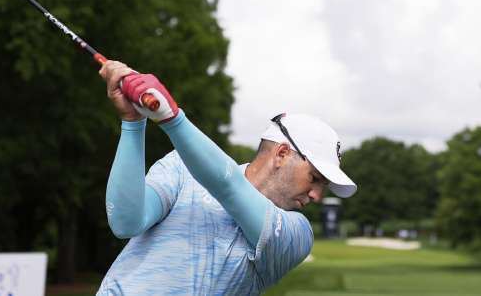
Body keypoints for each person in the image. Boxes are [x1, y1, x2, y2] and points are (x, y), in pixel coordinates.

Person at [95, 61, 357, 295]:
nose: (317, 195)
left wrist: (172, 119)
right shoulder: (181, 166)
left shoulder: (297, 234)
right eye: (314, 178)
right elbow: (126, 222)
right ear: (282, 153)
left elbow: (228, 186)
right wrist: (132, 122)